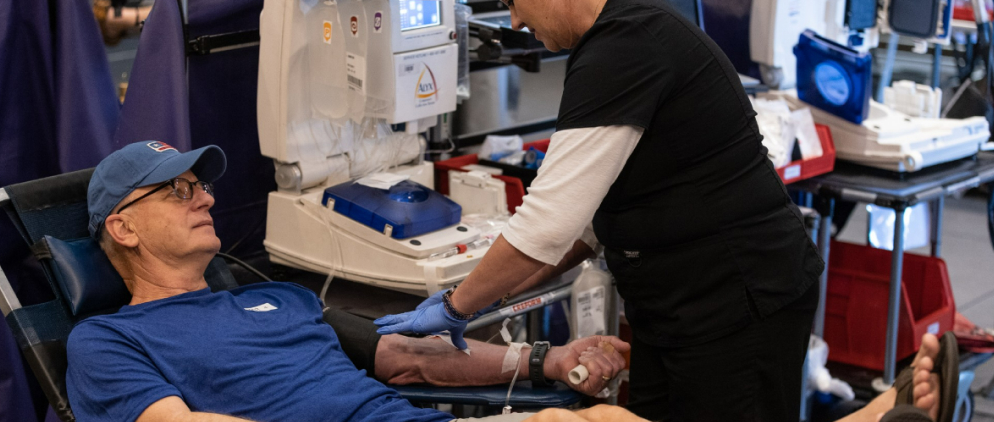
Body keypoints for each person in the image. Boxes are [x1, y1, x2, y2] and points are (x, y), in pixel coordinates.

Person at [373, 0, 825, 422]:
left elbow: (547, 223)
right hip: (683, 304)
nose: (515, 20)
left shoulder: (627, 43)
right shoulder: (624, 26)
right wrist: (484, 295)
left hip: (734, 301)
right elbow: (585, 220)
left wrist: (456, 307)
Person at [67, 141, 630, 422]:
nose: (207, 197)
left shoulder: (276, 297)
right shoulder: (107, 341)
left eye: (202, 187)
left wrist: (545, 360)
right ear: (123, 227)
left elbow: (412, 359)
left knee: (606, 419)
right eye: (180, 191)